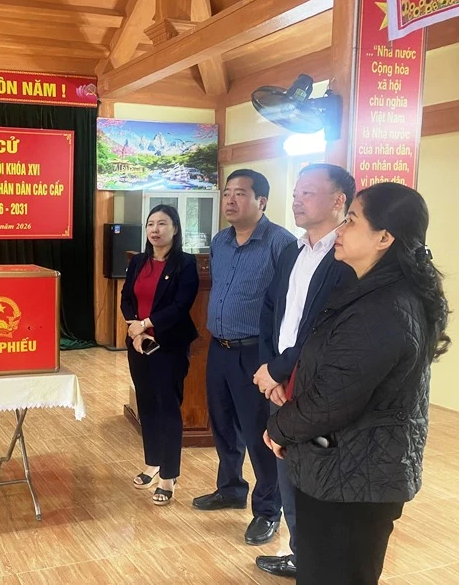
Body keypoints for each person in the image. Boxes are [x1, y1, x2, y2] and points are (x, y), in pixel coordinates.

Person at [266, 183, 450, 585]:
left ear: (384, 238)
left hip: (354, 480)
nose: (341, 229)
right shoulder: (370, 291)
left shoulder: (382, 308)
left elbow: (333, 398)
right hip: (346, 470)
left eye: (351, 220)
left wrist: (279, 427)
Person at [253, 164, 356, 578]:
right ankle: (301, 554)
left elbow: (321, 328)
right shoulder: (292, 252)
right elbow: (270, 312)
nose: (296, 200)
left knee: (316, 477)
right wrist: (269, 369)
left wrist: (278, 370)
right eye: (295, 193)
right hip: (279, 384)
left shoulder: (346, 257)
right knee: (287, 473)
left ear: (338, 201)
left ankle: (318, 561)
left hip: (313, 384)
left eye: (307, 193)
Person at [192, 169, 294, 545]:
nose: (230, 200)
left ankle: (267, 510)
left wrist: (276, 362)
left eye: (240, 193)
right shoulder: (220, 241)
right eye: (227, 193)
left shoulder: (281, 243)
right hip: (219, 348)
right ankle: (231, 488)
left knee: (258, 433)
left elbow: (287, 304)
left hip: (256, 354)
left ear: (261, 201)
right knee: (223, 425)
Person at [121, 204, 199, 506]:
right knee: (147, 404)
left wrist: (146, 325)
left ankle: (169, 475)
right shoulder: (138, 262)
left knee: (167, 407)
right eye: (151, 224)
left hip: (169, 345)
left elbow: (180, 306)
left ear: (175, 229)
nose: (155, 229)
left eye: (162, 223)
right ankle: (152, 462)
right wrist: (136, 331)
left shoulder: (185, 264)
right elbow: (126, 298)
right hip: (138, 344)